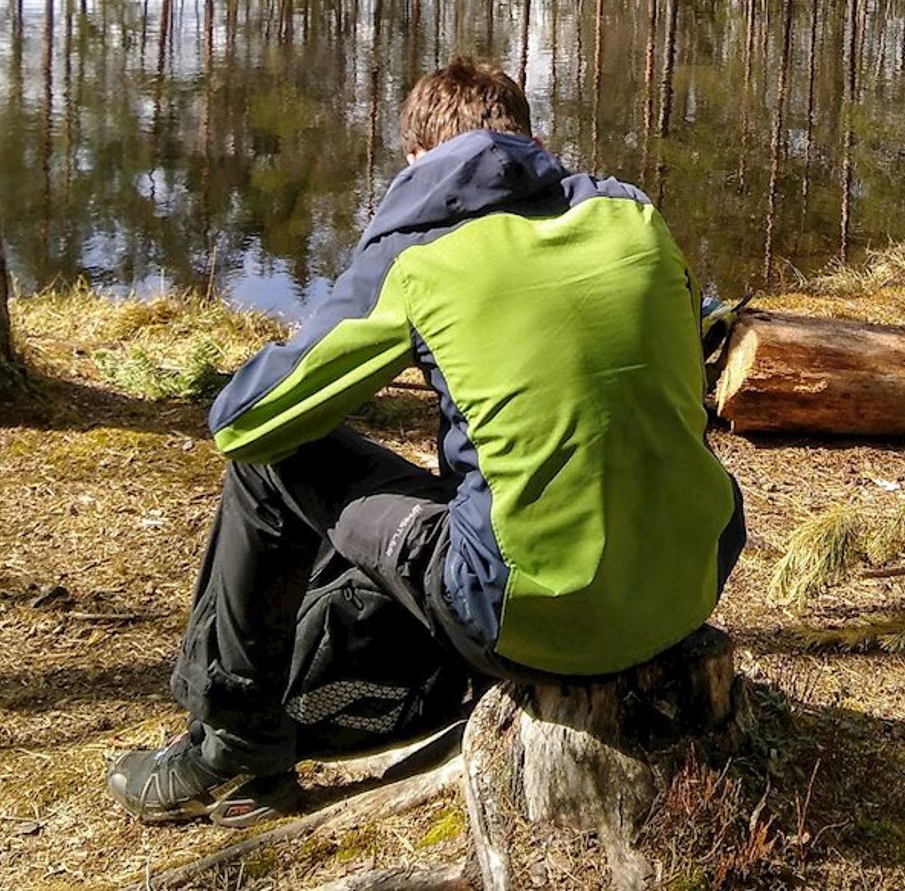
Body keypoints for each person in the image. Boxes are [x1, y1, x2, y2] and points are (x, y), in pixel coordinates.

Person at [107, 57, 745, 828]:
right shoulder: (632, 215)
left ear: (416, 160)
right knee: (513, 464)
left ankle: (236, 747)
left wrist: (371, 292)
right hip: (695, 573)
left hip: (530, 614)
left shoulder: (419, 253)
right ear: (530, 140)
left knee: (268, 465)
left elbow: (245, 420)